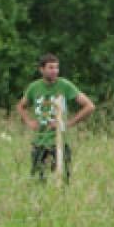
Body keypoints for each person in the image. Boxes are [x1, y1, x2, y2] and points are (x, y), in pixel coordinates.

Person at [17, 53, 95, 181]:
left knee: (63, 180)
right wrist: (29, 121)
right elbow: (20, 106)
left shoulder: (64, 85)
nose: (55, 71)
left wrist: (68, 123)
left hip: (59, 141)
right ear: (42, 69)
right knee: (38, 180)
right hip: (40, 141)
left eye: (56, 68)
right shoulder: (34, 87)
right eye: (51, 68)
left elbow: (89, 106)